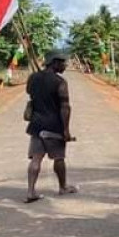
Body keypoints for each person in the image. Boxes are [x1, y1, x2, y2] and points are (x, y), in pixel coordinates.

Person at [25, 51, 78, 203]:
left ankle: (30, 191)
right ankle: (63, 187)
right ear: (54, 62)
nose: (65, 65)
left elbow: (29, 92)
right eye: (62, 62)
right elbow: (65, 107)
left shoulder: (33, 78)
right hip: (54, 126)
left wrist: (38, 80)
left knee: (36, 159)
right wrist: (66, 129)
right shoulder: (60, 82)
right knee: (59, 158)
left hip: (36, 125)